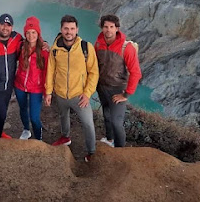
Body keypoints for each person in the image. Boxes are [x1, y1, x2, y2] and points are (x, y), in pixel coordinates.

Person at [45, 15, 99, 162]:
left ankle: (91, 152)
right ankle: (65, 137)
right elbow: (50, 70)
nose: (69, 32)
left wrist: (87, 94)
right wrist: (49, 91)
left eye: (72, 29)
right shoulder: (55, 49)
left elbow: (94, 72)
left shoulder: (86, 48)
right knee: (63, 116)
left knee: (88, 124)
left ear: (77, 29)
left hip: (79, 95)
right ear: (61, 29)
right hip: (61, 93)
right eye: (66, 28)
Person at [94, 14, 142, 148]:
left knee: (116, 121)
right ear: (102, 28)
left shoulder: (126, 48)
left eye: (111, 27)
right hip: (102, 87)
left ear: (117, 28)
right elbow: (92, 63)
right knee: (107, 115)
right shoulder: (98, 44)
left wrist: (125, 94)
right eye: (105, 27)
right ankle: (109, 140)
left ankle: (120, 150)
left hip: (117, 89)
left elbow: (136, 73)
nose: (108, 30)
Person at [14, 16, 49, 140]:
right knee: (23, 109)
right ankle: (26, 130)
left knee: (34, 117)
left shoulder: (44, 51)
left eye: (33, 32)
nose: (30, 35)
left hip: (36, 88)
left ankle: (38, 138)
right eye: (28, 33)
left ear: (38, 33)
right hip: (20, 85)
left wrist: (47, 93)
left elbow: (46, 73)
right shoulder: (20, 46)